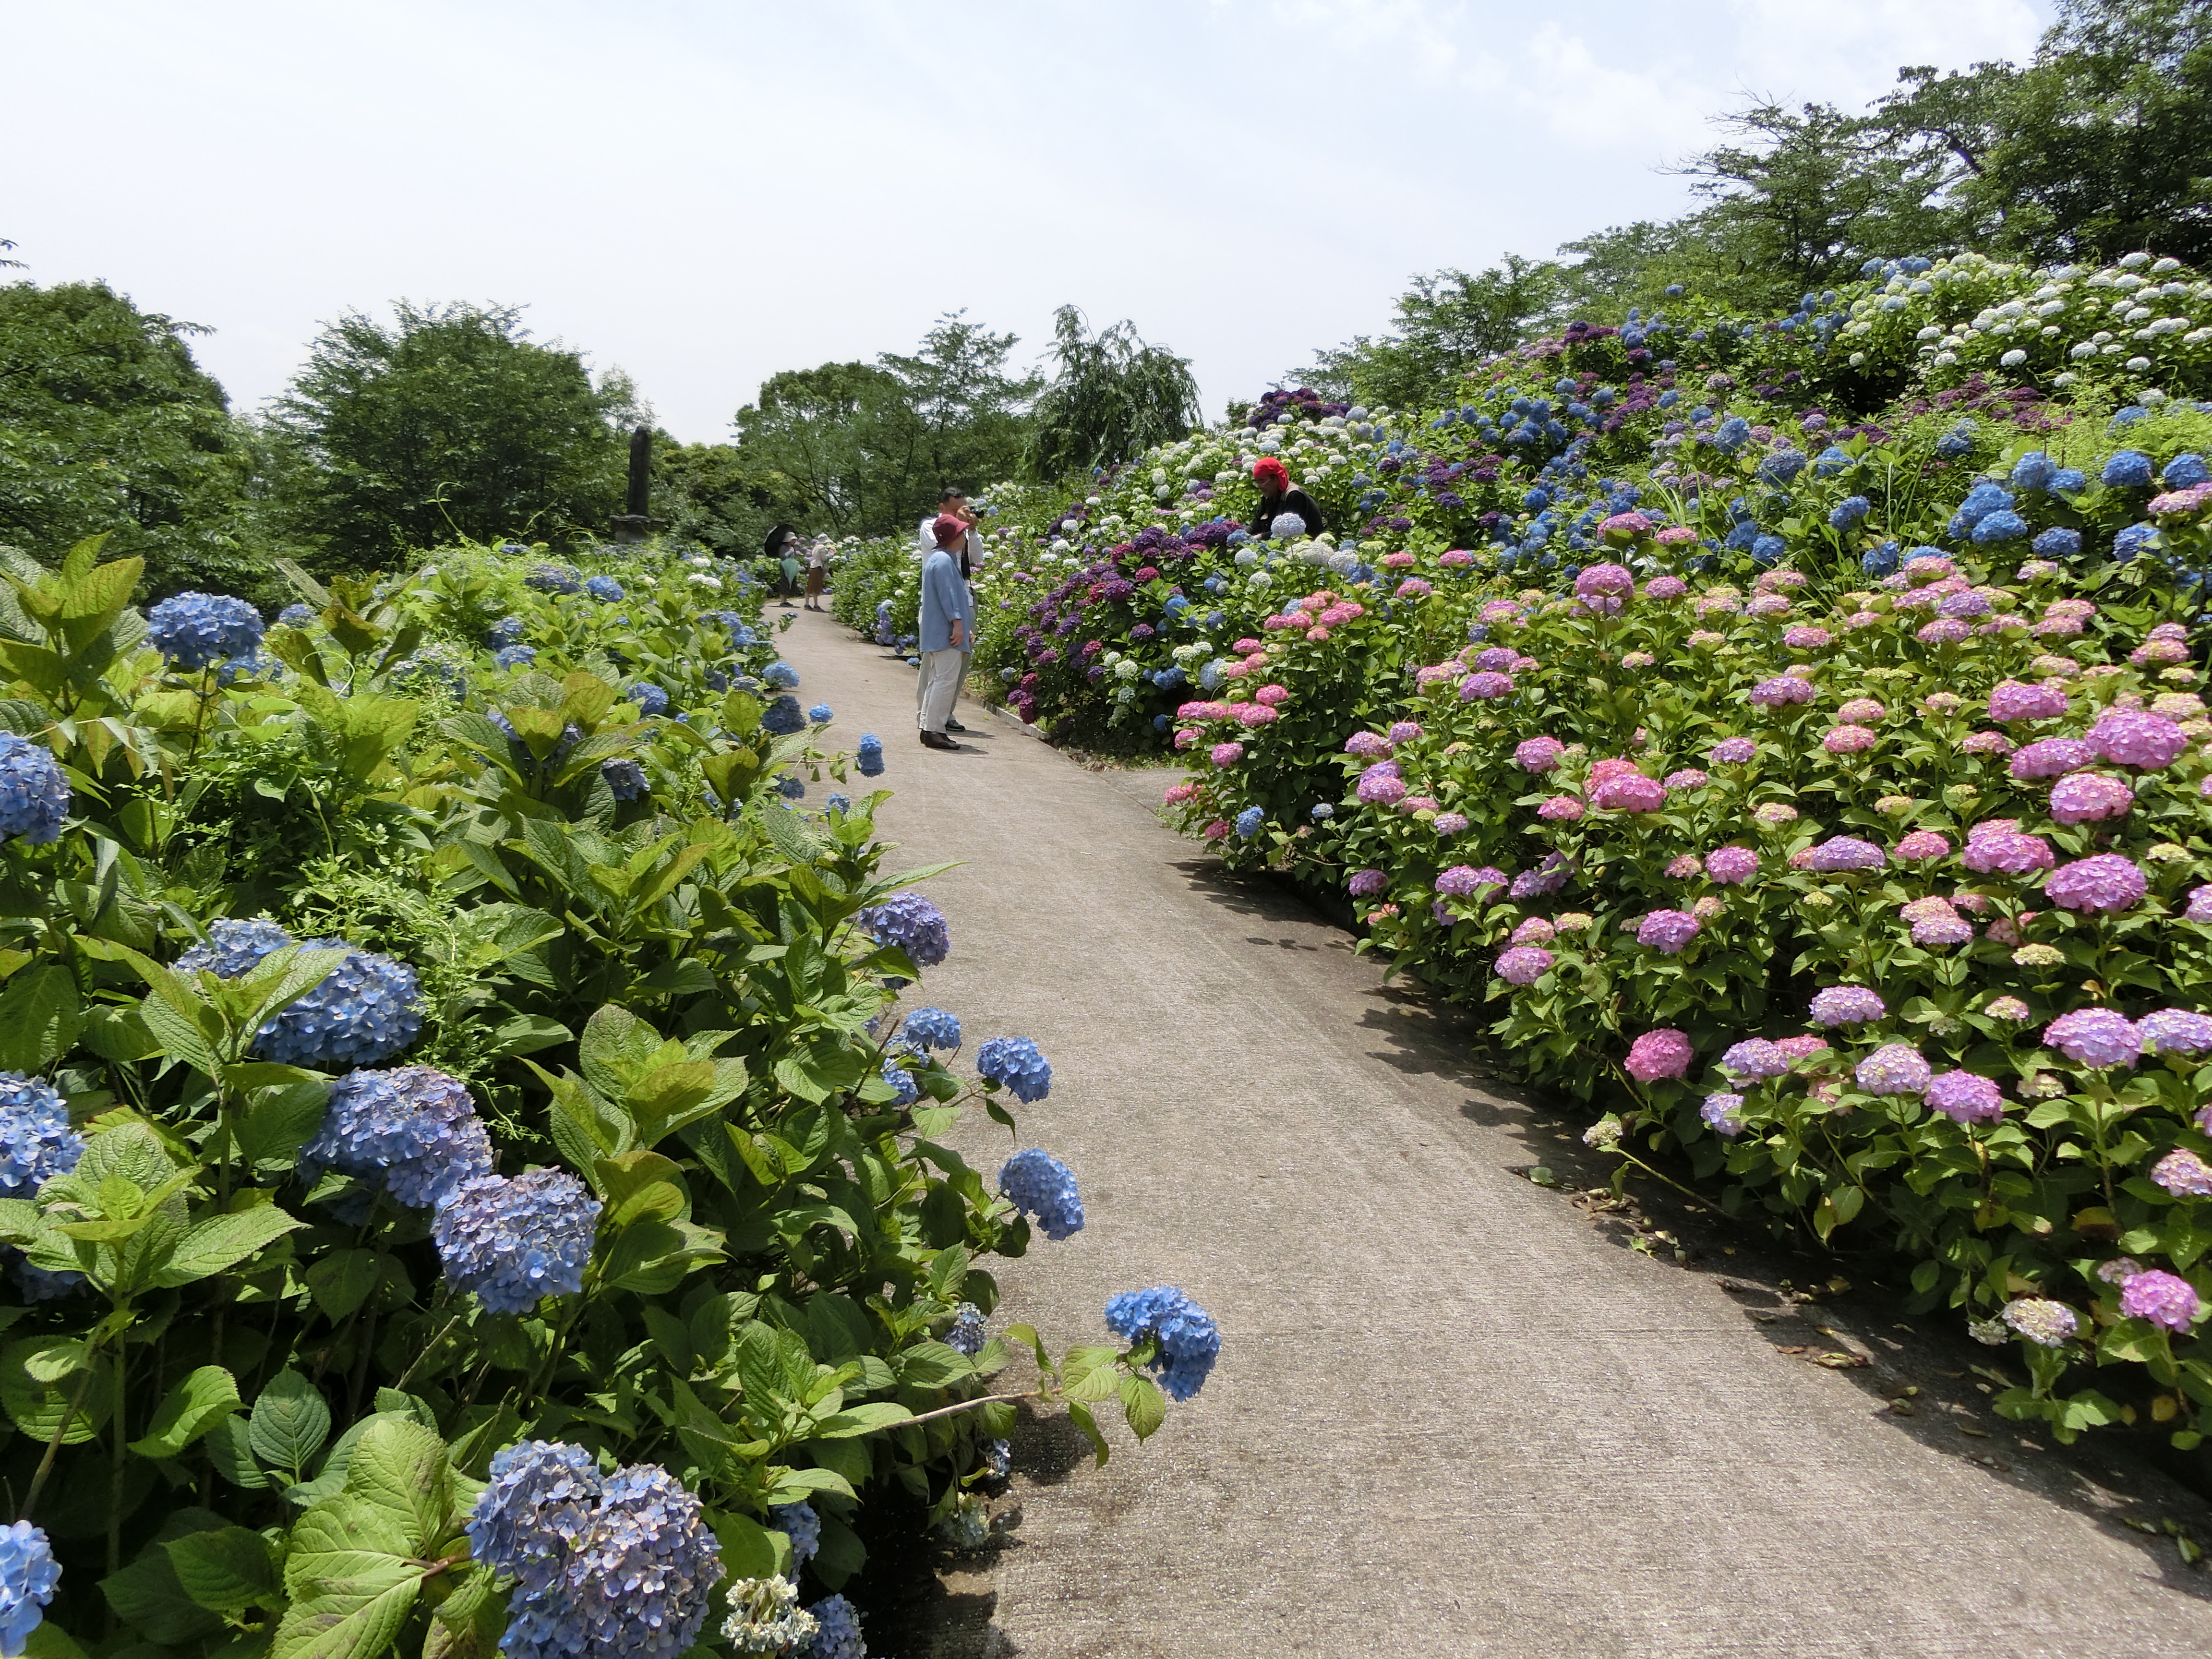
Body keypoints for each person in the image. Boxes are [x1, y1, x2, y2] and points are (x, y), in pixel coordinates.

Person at [915, 516, 969, 750]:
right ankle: (935, 731)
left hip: (938, 633)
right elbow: (950, 597)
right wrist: (958, 625)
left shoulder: (938, 559)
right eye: (961, 533)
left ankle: (929, 729)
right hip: (947, 634)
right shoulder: (945, 561)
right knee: (946, 681)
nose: (965, 537)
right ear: (953, 537)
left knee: (937, 680)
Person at [1246, 457, 1326, 541]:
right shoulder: (1269, 496)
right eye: (1257, 482)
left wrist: (1261, 537)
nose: (1260, 487)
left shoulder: (1294, 495)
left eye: (1262, 481)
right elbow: (1256, 524)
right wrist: (1244, 534)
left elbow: (1288, 531)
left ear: (1276, 479)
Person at [764, 524, 802, 606]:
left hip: (792, 566)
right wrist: (790, 552)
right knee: (784, 583)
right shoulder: (783, 547)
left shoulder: (791, 547)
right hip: (785, 566)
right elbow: (783, 556)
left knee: (790, 583)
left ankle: (786, 601)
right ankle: (782, 601)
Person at [804, 537, 830, 610]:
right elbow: (824, 558)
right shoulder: (822, 547)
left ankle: (807, 604)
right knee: (816, 587)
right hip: (818, 567)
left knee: (810, 586)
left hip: (813, 567)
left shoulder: (816, 547)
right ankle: (816, 605)